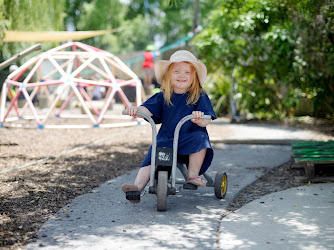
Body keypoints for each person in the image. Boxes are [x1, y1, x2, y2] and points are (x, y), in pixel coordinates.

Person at [122, 50, 217, 204]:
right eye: (177, 71)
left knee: (201, 138)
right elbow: (147, 109)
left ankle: (192, 176)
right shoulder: (163, 96)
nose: (182, 75)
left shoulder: (199, 96)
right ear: (168, 75)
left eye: (187, 72)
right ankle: (137, 188)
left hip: (189, 140)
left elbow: (207, 118)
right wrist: (137, 111)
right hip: (167, 140)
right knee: (152, 154)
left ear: (194, 77)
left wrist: (200, 119)